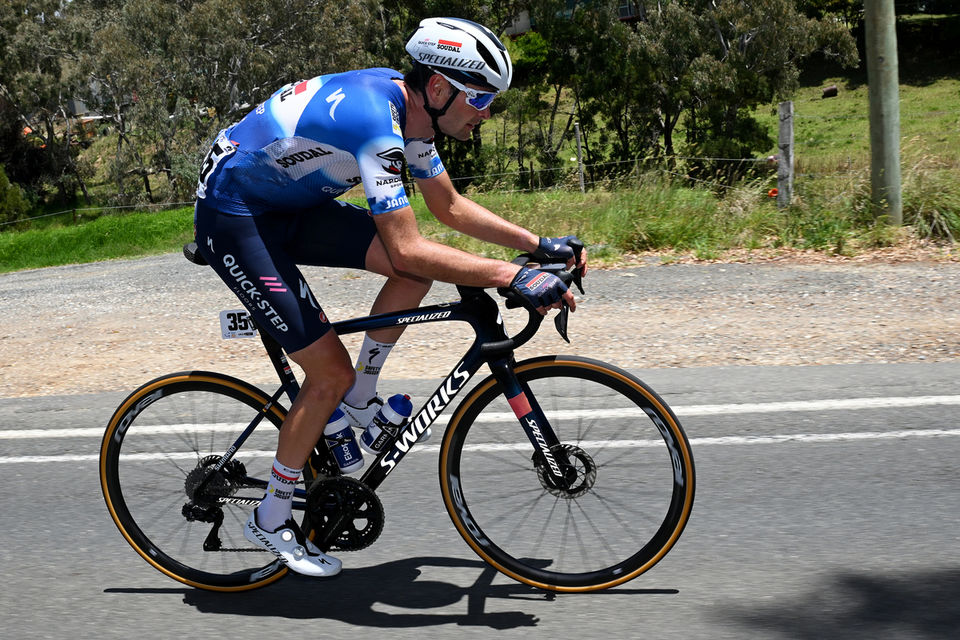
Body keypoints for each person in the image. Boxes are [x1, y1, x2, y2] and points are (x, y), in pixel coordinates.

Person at [193, 17, 587, 577]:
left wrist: (537, 245)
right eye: (480, 98)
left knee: (412, 277)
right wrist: (511, 276)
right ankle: (272, 514)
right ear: (439, 86)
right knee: (328, 372)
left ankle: (361, 395)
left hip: (289, 206)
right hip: (236, 217)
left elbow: (449, 207)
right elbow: (407, 246)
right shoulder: (377, 122)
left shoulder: (413, 116)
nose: (486, 112)